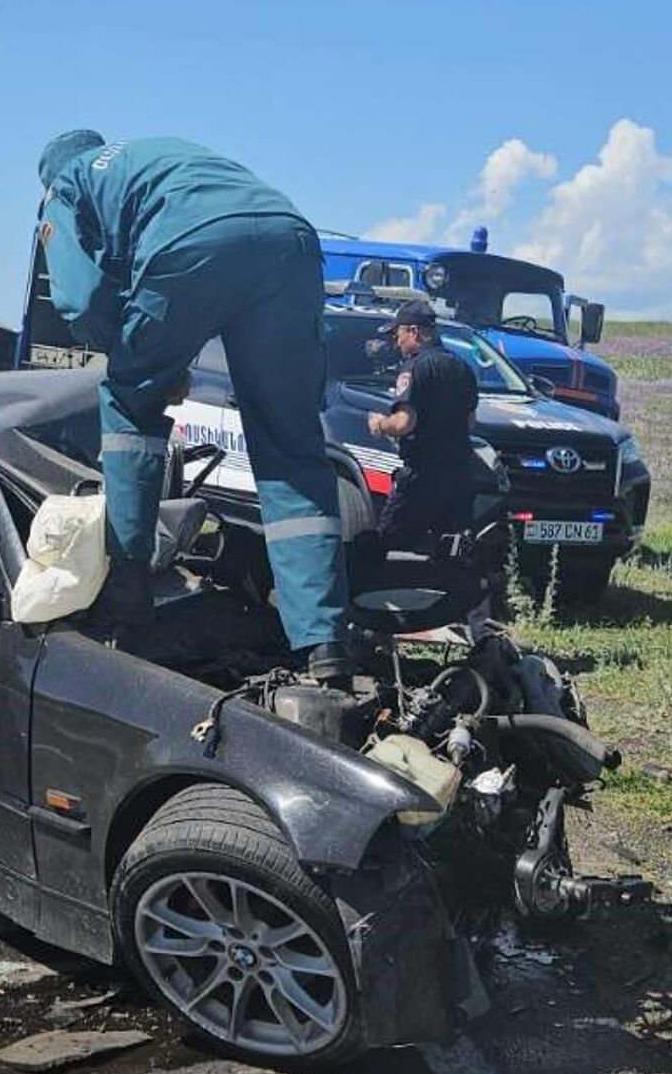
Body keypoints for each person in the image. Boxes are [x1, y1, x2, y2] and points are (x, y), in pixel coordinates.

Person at [34, 130, 351, 683]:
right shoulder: (155, 157)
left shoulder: (67, 183)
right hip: (291, 240)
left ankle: (127, 593)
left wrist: (143, 366)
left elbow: (79, 298)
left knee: (128, 403)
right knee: (290, 446)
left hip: (192, 245)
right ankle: (325, 645)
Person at [366, 298, 480, 551]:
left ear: (414, 332)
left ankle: (383, 589)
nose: (396, 341)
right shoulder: (462, 367)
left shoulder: (415, 367)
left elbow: (405, 422)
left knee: (387, 544)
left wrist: (380, 424)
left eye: (398, 334)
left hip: (423, 476)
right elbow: (470, 422)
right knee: (454, 549)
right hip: (460, 476)